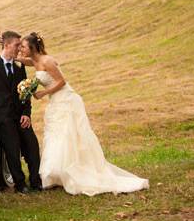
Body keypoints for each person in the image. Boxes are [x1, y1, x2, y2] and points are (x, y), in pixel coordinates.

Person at [18, 32, 149, 196]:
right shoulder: (34, 61)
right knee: (55, 135)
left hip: (66, 100)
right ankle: (56, 174)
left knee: (68, 135)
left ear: (32, 47)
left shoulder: (47, 61)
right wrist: (6, 45)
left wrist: (44, 93)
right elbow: (18, 58)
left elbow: (62, 82)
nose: (21, 49)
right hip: (55, 103)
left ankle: (73, 172)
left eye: (23, 46)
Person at [0, 31, 42, 194]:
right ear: (6, 45)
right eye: (17, 45)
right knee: (12, 149)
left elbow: (25, 95)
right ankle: (20, 184)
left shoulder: (20, 68)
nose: (19, 49)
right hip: (2, 117)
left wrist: (27, 113)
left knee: (32, 146)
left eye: (20, 45)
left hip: (20, 116)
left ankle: (35, 182)